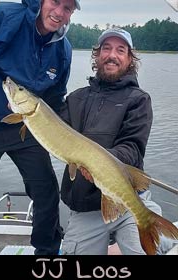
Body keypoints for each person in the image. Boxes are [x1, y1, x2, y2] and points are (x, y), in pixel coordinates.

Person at [0, 0, 80, 255]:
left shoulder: (64, 50)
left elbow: (55, 98)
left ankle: (47, 254)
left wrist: (71, 134)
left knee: (47, 192)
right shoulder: (4, 16)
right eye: (56, 2)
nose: (59, 12)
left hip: (27, 126)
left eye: (68, 9)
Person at [59, 27, 164, 255]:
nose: (112, 55)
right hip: (85, 207)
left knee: (147, 251)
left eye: (120, 50)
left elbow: (133, 149)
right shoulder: (76, 98)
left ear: (129, 59)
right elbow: (53, 133)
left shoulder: (138, 100)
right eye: (106, 48)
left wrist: (99, 165)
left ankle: (153, 229)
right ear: (97, 55)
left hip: (129, 202)